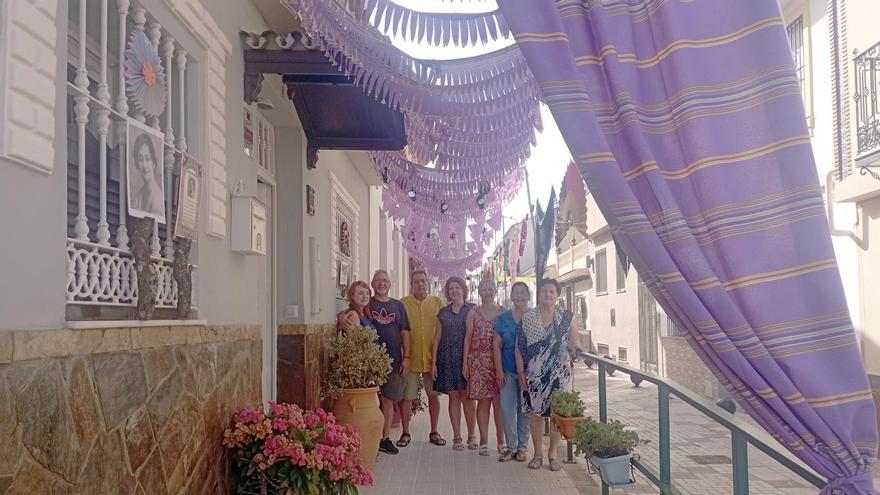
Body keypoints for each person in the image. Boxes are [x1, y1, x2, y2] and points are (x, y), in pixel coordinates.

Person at [516, 278, 582, 471]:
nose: (548, 295)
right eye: (544, 291)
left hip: (560, 375)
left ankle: (553, 455)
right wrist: (520, 372)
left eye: (552, 291)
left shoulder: (567, 317)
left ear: (557, 295)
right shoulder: (528, 318)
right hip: (535, 375)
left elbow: (574, 341)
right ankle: (537, 454)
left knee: (556, 416)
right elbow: (519, 348)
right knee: (535, 416)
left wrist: (578, 349)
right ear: (539, 294)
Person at [400, 270, 446, 447]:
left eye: (423, 281)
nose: (420, 284)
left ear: (427, 283)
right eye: (417, 281)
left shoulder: (437, 303)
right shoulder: (403, 304)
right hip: (410, 359)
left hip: (432, 359)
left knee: (433, 396)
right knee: (407, 397)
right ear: (412, 283)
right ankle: (405, 432)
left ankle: (434, 431)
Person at [368, 270, 411, 455]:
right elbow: (351, 314)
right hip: (370, 362)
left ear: (390, 284)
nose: (382, 283)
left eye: (385, 280)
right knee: (371, 400)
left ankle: (384, 439)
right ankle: (369, 437)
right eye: (378, 280)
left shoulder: (398, 306)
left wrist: (407, 357)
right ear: (372, 283)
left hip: (394, 360)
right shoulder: (367, 304)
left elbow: (405, 333)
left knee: (388, 400)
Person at [433, 276, 476, 451]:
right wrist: (433, 363)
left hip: (467, 359)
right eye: (451, 288)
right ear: (447, 292)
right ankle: (457, 437)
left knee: (467, 397)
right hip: (447, 358)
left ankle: (472, 435)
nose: (454, 291)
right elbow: (436, 339)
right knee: (454, 397)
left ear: (463, 289)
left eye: (457, 288)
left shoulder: (472, 309)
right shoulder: (443, 312)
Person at [463, 278, 504, 456]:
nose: (487, 293)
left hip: (498, 362)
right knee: (483, 402)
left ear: (495, 291)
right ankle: (484, 440)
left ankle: (501, 441)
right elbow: (467, 338)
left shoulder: (503, 312)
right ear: (479, 292)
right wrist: (465, 362)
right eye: (484, 290)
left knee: (499, 403)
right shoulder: (473, 313)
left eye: (490, 289)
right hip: (478, 361)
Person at [494, 281, 532, 462]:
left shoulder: (534, 317)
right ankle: (511, 447)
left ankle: (523, 448)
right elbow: (496, 345)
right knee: (507, 409)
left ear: (528, 295)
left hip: (531, 373)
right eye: (516, 293)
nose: (519, 296)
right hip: (508, 371)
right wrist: (499, 370)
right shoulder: (503, 318)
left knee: (525, 410)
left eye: (522, 293)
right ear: (511, 296)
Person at [131, 133, 163, 216]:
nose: (144, 166)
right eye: (140, 159)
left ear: (153, 163)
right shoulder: (139, 196)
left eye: (148, 159)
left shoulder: (157, 198)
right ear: (137, 164)